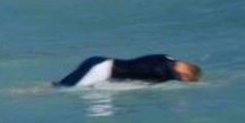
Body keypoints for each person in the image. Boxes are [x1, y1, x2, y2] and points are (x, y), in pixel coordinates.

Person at [56, 54, 202, 88]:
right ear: (186, 74)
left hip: (98, 61)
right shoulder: (166, 71)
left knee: (57, 87)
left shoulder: (168, 58)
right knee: (62, 92)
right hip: (100, 70)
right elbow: (175, 81)